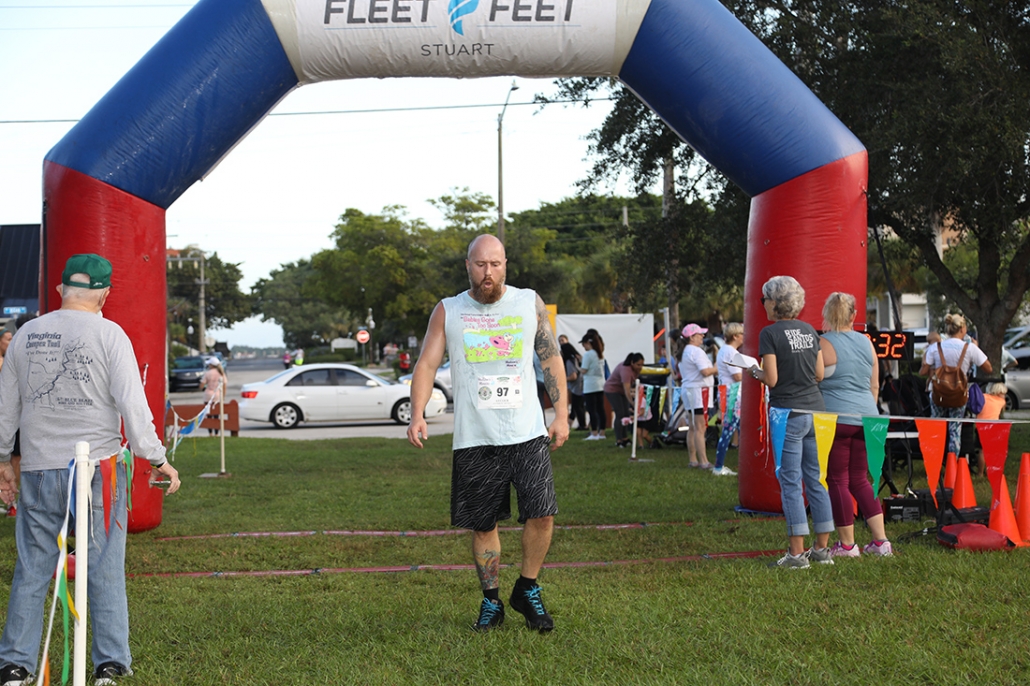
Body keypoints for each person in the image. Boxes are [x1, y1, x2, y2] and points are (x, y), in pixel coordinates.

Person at [0, 254, 181, 686]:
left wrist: (3, 459)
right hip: (99, 471)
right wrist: (157, 457)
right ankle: (110, 664)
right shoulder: (110, 333)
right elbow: (133, 405)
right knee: (103, 565)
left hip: (39, 468)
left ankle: (14, 665)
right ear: (104, 294)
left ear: (61, 289)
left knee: (32, 567)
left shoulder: (25, 334)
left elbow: (6, 406)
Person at [406, 234, 568, 634]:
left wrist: (561, 413)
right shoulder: (449, 310)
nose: (488, 272)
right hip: (475, 437)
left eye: (495, 264)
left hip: (527, 432)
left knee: (543, 513)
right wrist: (417, 413)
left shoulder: (528, 302)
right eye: (480, 265)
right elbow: (426, 364)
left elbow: (550, 357)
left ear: (505, 265)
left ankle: (527, 588)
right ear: (468, 266)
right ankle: (491, 601)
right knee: (483, 525)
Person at [750, 275, 833, 569]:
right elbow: (820, 374)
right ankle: (821, 549)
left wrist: (755, 372)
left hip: (788, 413)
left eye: (764, 300)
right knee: (816, 479)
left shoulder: (769, 333)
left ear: (775, 302)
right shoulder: (809, 330)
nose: (763, 304)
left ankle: (797, 554)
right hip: (816, 412)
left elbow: (771, 379)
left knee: (790, 481)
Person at [818, 293, 893, 558]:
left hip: (837, 419)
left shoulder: (823, 343)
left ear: (827, 314)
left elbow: (814, 381)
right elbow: (875, 385)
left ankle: (847, 545)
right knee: (861, 479)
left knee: (837, 479)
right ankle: (881, 541)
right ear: (854, 315)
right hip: (867, 417)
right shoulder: (867, 342)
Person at [919, 314, 992, 456]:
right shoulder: (970, 348)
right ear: (962, 329)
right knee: (955, 430)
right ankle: (952, 463)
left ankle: (934, 461)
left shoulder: (935, 347)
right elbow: (988, 368)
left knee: (936, 427)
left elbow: (923, 371)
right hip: (959, 394)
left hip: (938, 394)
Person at [679, 323, 716, 468]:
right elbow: (705, 372)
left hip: (689, 390)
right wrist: (717, 368)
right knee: (700, 428)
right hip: (699, 392)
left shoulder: (684, 351)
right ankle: (704, 461)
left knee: (693, 427)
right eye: (700, 334)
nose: (702, 336)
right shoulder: (696, 351)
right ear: (692, 337)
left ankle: (693, 459)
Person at [713, 322, 745, 476]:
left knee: (735, 429)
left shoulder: (724, 350)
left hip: (727, 392)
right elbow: (737, 376)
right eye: (742, 334)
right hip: (733, 394)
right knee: (729, 430)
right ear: (736, 336)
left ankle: (722, 465)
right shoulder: (731, 353)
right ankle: (718, 466)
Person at [604, 353, 645, 449]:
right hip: (612, 390)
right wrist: (633, 404)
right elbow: (627, 390)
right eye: (638, 365)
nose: (640, 367)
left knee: (626, 414)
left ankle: (625, 438)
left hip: (621, 391)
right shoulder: (625, 370)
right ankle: (619, 440)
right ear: (632, 363)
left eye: (642, 365)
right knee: (620, 413)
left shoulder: (636, 370)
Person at [579, 331, 607, 441]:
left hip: (590, 385)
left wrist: (578, 366)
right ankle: (602, 432)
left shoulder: (588, 354)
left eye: (584, 344)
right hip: (600, 384)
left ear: (587, 343)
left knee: (592, 410)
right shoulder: (599, 353)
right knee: (600, 409)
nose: (583, 346)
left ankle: (594, 433)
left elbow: (584, 370)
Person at [561, 342, 587, 431]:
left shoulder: (569, 361)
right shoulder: (577, 358)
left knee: (577, 406)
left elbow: (573, 376)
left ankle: (582, 425)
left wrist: (563, 379)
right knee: (580, 406)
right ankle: (583, 424)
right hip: (582, 384)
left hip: (576, 387)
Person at [202, 357, 227, 436]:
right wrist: (223, 396)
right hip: (217, 396)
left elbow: (202, 384)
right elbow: (224, 385)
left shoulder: (208, 373)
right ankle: (216, 433)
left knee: (208, 415)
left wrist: (204, 387)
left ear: (211, 365)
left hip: (208, 395)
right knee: (216, 416)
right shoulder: (221, 373)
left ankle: (210, 433)